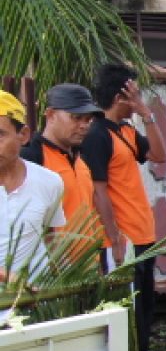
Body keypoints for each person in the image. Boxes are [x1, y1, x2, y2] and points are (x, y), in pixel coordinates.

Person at [82, 64, 166, 351]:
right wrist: (115, 236)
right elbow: (98, 189)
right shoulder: (97, 133)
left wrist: (146, 114)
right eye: (135, 90)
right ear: (123, 93)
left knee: (143, 311)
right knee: (126, 314)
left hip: (142, 235)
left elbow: (159, 156)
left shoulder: (125, 131)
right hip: (122, 240)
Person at [20, 84, 102, 253]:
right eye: (76, 117)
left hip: (87, 266)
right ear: (50, 115)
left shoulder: (81, 158)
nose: (84, 125)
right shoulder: (32, 158)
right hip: (53, 271)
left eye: (88, 120)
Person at [0, 91, 65, 283]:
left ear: (24, 135)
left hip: (37, 304)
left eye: (0, 135)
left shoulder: (49, 182)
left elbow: (50, 238)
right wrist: (10, 279)